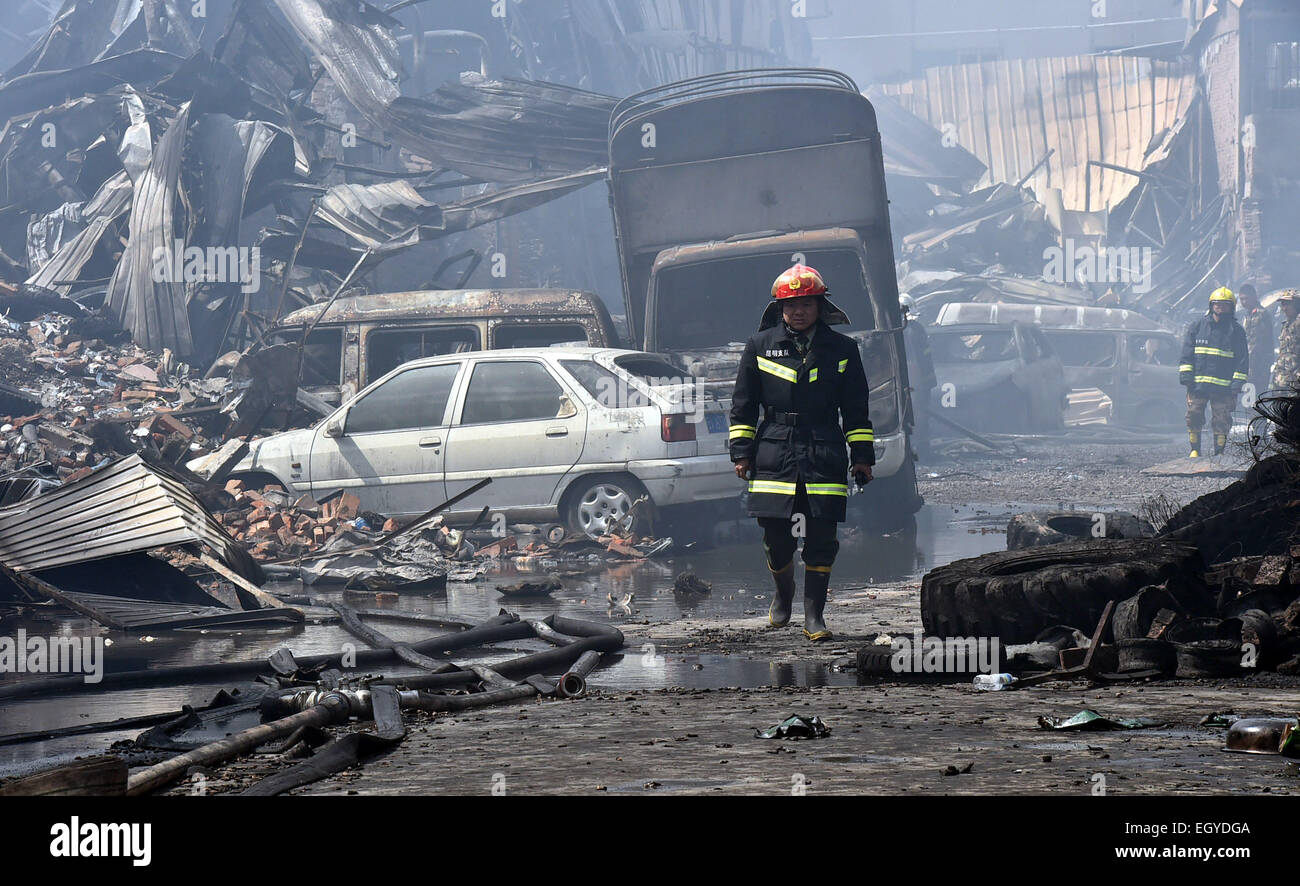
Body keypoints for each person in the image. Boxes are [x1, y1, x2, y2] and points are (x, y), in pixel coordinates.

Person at [729, 264, 874, 642]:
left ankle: (814, 616)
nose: (798, 311)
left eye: (806, 304)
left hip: (824, 446)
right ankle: (783, 594)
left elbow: (856, 409)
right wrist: (741, 453)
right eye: (790, 305)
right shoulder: (759, 346)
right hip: (774, 449)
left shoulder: (843, 349)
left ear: (820, 305)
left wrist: (862, 456)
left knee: (822, 536)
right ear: (779, 309)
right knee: (777, 536)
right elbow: (743, 406)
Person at [1179, 286, 1248, 457]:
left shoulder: (1236, 331)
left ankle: (1219, 453)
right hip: (1198, 386)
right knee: (1193, 416)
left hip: (1223, 388)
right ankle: (1195, 450)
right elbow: (1186, 354)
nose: (1220, 307)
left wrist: (1237, 384)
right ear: (1211, 305)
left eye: (1225, 305)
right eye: (1217, 304)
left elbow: (1242, 360)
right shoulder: (1197, 327)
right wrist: (1186, 378)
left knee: (1221, 420)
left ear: (1232, 307)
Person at [900, 293, 937, 461]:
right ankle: (922, 453)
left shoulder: (910, 330)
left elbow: (925, 359)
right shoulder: (913, 330)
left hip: (915, 381)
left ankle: (919, 452)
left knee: (916, 417)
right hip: (916, 381)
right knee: (919, 417)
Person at [1237, 284, 1275, 400]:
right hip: (1251, 364)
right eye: (1241, 299)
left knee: (1256, 398)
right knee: (1249, 399)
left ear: (1254, 297)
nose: (1243, 302)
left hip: (1258, 365)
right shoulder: (1248, 314)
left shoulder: (1260, 314)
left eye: (1246, 298)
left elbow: (1257, 343)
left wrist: (1251, 365)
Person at [1272, 290, 1300, 392]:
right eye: (1282, 304)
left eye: (1288, 304)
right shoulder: (1286, 325)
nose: (1284, 308)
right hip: (1282, 380)